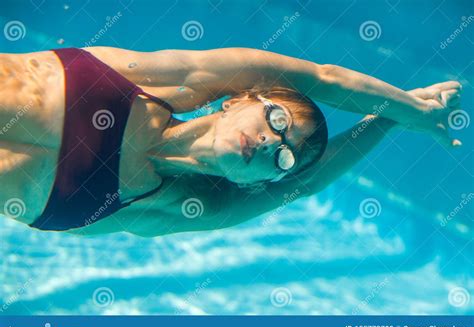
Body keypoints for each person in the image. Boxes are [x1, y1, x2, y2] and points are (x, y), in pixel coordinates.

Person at [0, 47, 462, 236]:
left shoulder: (172, 204)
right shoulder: (162, 84)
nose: (269, 141)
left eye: (283, 155)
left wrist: (384, 123)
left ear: (263, 179)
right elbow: (322, 78)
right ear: (239, 98)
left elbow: (303, 183)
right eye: (276, 119)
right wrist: (413, 110)